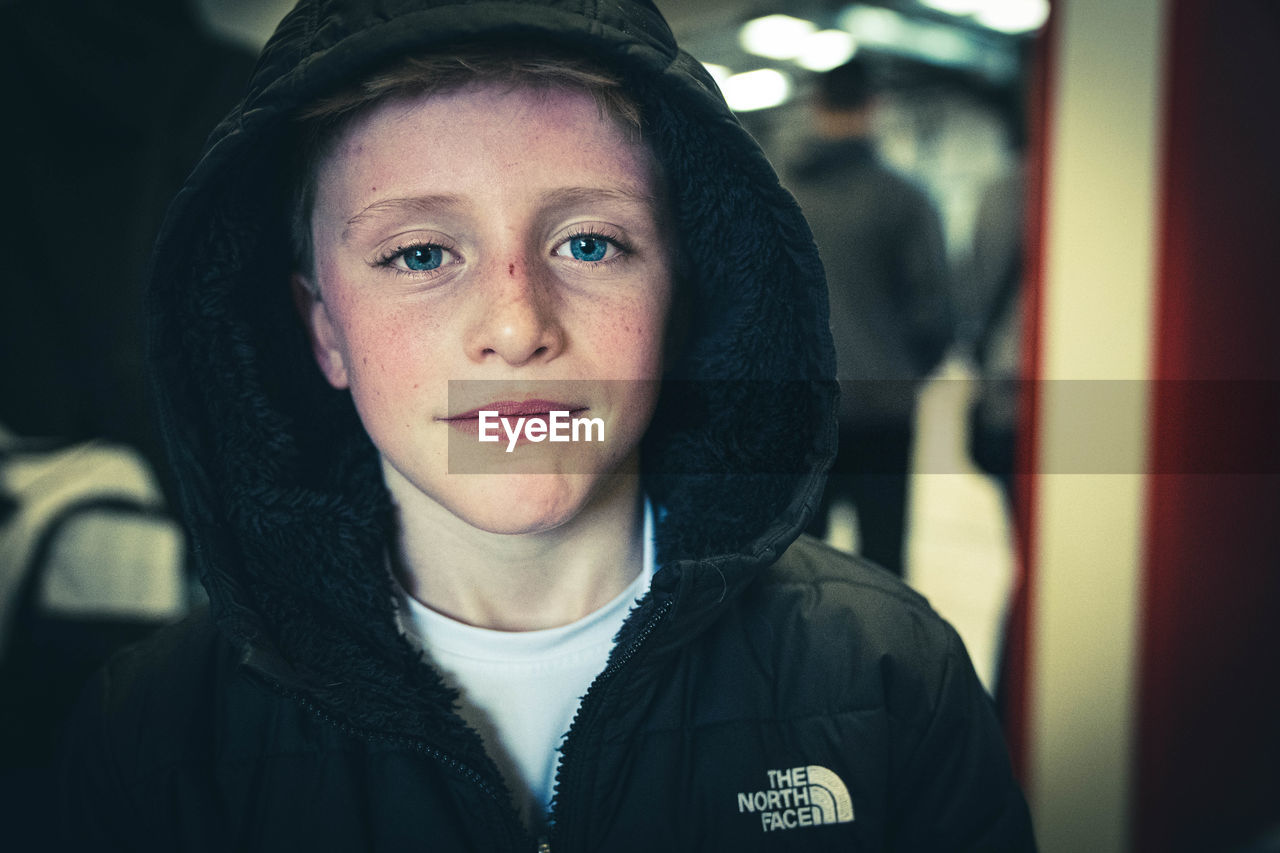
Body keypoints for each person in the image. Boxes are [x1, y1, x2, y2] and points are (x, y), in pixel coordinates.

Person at [57, 0, 1034, 850]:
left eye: (589, 241)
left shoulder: (885, 675)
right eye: (418, 254)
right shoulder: (153, 736)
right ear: (324, 332)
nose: (519, 325)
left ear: (681, 297)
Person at [787, 59, 954, 577]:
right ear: (873, 106)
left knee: (792, 559)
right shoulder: (903, 199)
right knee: (882, 561)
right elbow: (936, 314)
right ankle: (877, 659)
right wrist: (899, 372)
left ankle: (795, 660)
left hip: (797, 407)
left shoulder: (779, 194)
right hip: (882, 409)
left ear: (815, 105)